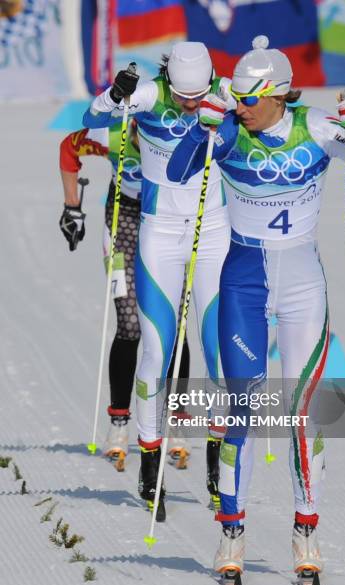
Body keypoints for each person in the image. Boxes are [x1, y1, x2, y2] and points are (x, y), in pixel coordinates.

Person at [167, 35, 345, 582]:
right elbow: (179, 173)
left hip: (301, 288)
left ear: (276, 94)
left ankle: (305, 528)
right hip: (244, 282)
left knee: (300, 412)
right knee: (243, 411)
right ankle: (232, 531)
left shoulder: (316, 127)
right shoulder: (228, 130)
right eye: (236, 99)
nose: (239, 106)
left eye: (247, 99)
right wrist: (206, 128)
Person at [82, 42, 234, 516]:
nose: (191, 105)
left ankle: (217, 471)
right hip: (160, 234)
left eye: (199, 96)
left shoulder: (227, 92)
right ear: (170, 82)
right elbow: (95, 117)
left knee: (219, 355)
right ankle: (151, 468)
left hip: (213, 231)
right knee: (155, 348)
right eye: (184, 96)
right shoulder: (148, 94)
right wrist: (114, 95)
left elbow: (272, 110)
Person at [59, 120, 190, 472]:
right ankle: (119, 425)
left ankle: (175, 421)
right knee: (131, 325)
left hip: (169, 226)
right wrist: (73, 206)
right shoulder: (110, 135)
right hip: (123, 222)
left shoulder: (178, 134)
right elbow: (68, 150)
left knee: (173, 327)